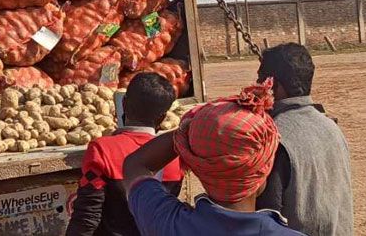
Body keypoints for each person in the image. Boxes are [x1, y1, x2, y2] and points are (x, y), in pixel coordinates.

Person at [122, 80, 304, 235]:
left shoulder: (168, 224)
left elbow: (136, 165)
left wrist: (190, 129)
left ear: (197, 166)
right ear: (265, 165)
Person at [66, 73, 183, 236]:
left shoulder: (102, 149)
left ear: (123, 104)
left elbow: (88, 214)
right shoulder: (173, 156)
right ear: (162, 118)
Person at [256, 43, 354, 235]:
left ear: (275, 85)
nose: (257, 86)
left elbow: (266, 220)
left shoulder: (275, 138)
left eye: (260, 80)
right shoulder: (332, 128)